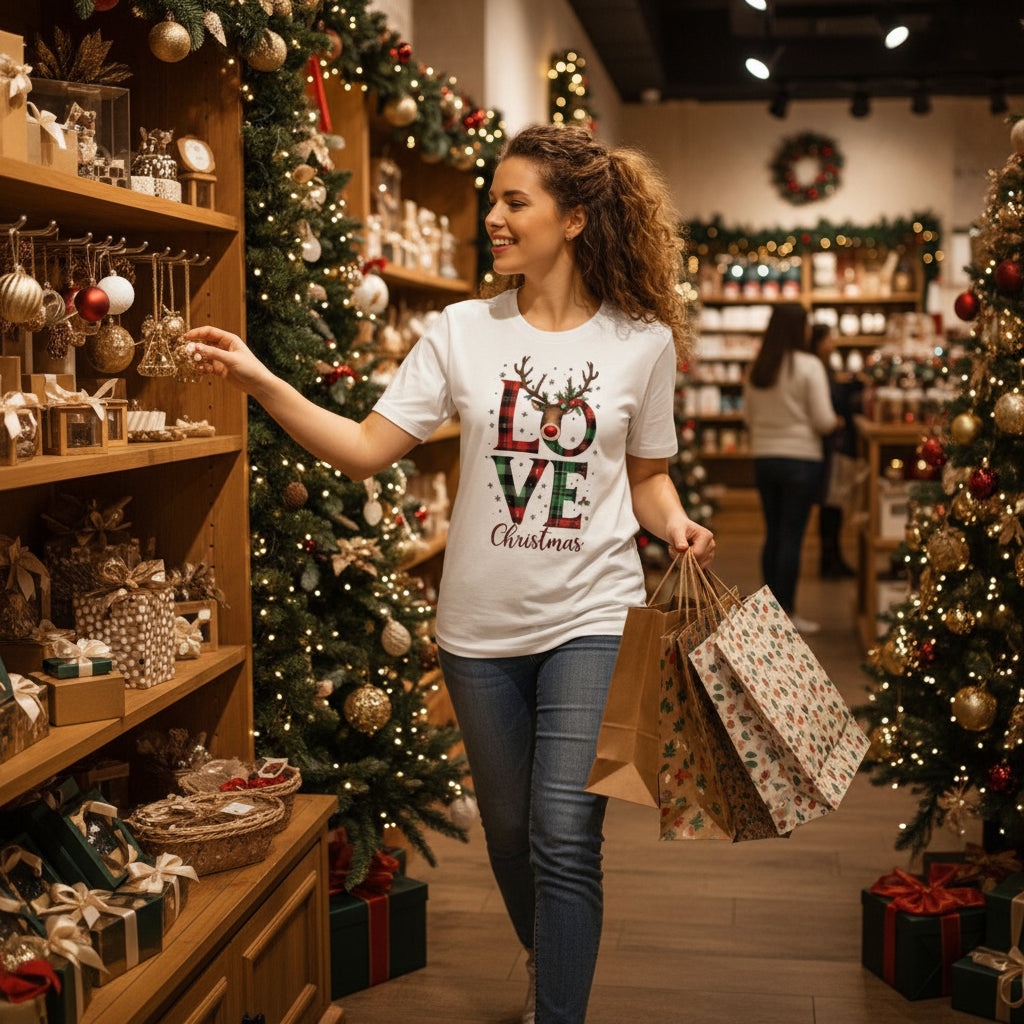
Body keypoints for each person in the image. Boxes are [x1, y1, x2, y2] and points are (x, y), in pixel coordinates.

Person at [184, 123, 715, 1024]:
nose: (494, 220)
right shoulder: (462, 331)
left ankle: (558, 1012)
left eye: (516, 202)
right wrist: (260, 380)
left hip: (596, 614)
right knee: (510, 835)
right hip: (477, 630)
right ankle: (554, 963)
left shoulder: (643, 341)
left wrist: (676, 525)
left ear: (575, 218)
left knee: (563, 835)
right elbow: (363, 449)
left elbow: (647, 475)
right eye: (493, 201)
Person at [743, 303, 840, 635]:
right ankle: (786, 614)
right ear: (801, 328)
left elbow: (748, 418)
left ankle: (766, 612)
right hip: (801, 459)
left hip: (764, 457)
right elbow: (824, 420)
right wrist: (838, 423)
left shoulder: (759, 367)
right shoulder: (809, 366)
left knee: (772, 533)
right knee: (791, 538)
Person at [809, 322, 860, 578]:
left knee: (833, 505)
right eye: (829, 339)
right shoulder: (815, 368)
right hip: (829, 446)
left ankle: (833, 558)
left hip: (830, 445)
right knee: (831, 503)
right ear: (819, 342)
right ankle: (829, 561)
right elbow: (827, 407)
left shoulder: (821, 367)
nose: (833, 344)